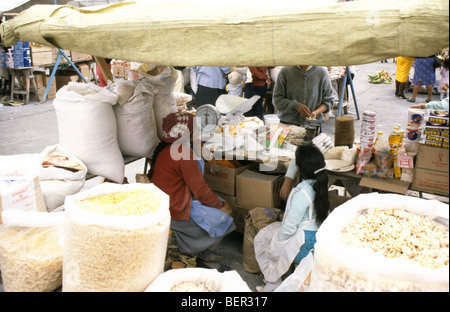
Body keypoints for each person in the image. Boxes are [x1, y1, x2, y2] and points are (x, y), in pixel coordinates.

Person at [148, 111, 235, 269]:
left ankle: (202, 254)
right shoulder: (183, 154)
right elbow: (200, 190)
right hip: (176, 209)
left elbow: (200, 152)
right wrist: (221, 207)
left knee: (219, 204)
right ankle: (201, 257)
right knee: (225, 216)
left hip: (169, 203)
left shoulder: (170, 147)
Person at [254, 144, 330, 292]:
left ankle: (272, 281)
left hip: (304, 244)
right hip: (318, 237)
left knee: (263, 239)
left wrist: (276, 245)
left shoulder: (302, 193)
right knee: (274, 234)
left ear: (300, 169)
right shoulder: (322, 184)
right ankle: (277, 278)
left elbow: (289, 227)